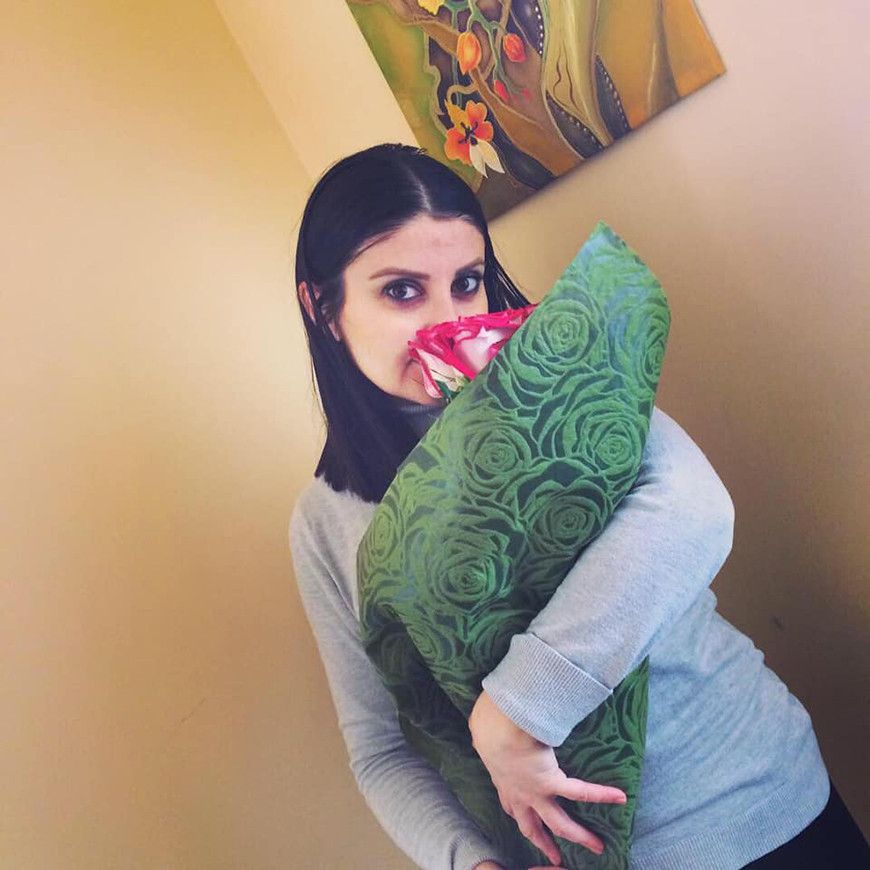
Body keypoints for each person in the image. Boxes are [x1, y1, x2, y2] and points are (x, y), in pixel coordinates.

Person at [288, 143, 868, 869]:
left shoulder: (559, 383)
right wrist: (471, 862)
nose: (449, 320)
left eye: (467, 283)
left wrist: (516, 711)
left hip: (755, 800)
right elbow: (381, 747)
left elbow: (695, 512)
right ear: (323, 307)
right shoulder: (326, 521)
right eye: (401, 291)